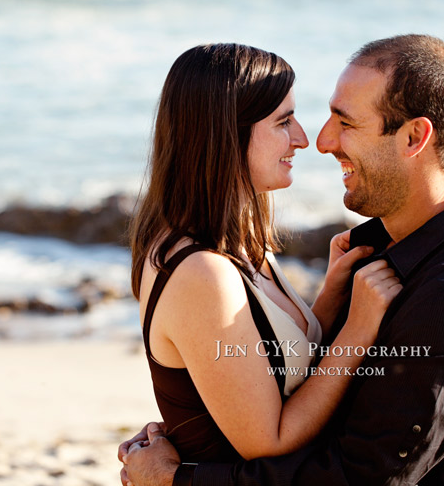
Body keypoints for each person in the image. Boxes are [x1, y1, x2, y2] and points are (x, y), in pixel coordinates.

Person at [120, 35, 444, 485]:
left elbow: (357, 474)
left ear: (413, 138)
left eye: (344, 122)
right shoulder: (367, 253)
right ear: (226, 134)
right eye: (285, 121)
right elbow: (273, 402)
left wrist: (179, 479)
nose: (317, 141)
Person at [127, 43, 404, 466]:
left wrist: (329, 300)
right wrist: (358, 331)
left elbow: (273, 363)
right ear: (224, 133)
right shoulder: (202, 271)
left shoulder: (236, 238)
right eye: (284, 121)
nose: (303, 139)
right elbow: (268, 443)